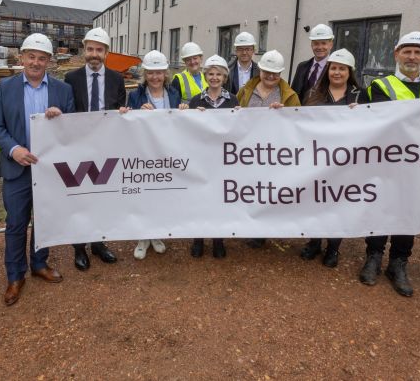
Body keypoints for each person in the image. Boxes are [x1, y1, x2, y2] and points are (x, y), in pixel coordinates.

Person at [359, 30, 420, 297]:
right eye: (407, 51)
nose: (412, 57)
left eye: (418, 52)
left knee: (408, 212)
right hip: (384, 163)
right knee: (380, 208)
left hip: (418, 164)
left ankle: (398, 263)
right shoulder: (379, 86)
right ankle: (373, 257)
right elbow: (373, 123)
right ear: (396, 54)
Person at [0, 33, 75, 306]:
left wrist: (61, 120)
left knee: (45, 219)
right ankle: (15, 275)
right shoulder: (6, 87)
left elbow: (73, 131)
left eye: (42, 58)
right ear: (22, 57)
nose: (36, 62)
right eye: (31, 56)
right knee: (15, 223)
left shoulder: (63, 91)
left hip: (49, 169)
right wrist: (14, 150)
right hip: (18, 168)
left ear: (49, 61)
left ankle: (39, 263)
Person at [63, 27, 125, 270]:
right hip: (79, 148)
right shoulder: (71, 79)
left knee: (102, 198)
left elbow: (120, 109)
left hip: (106, 148)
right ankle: (79, 248)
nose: (94, 54)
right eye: (90, 49)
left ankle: (99, 243)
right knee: (80, 198)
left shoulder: (117, 79)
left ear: (106, 53)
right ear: (84, 50)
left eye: (99, 50)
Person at [122, 50, 187, 259]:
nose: (155, 77)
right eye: (151, 73)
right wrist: (135, 111)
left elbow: (181, 123)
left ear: (165, 73)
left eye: (159, 72)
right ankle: (142, 237)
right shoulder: (135, 95)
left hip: (167, 153)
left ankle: (156, 233)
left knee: (161, 196)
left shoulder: (174, 94)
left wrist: (185, 110)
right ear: (145, 74)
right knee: (144, 195)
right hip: (144, 154)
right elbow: (128, 123)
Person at [300, 48, 362, 268]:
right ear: (327, 70)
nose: (337, 72)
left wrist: (363, 113)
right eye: (333, 68)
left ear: (349, 72)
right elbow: (300, 125)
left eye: (342, 69)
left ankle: (333, 247)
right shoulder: (313, 95)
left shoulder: (358, 96)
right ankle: (314, 241)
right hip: (316, 159)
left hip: (345, 162)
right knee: (316, 201)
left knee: (338, 204)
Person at [238, 50, 300, 248]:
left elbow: (298, 122)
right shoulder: (246, 90)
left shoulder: (289, 95)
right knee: (250, 188)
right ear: (260, 70)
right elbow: (232, 114)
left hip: (274, 152)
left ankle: (265, 229)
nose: (271, 76)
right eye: (267, 72)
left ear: (281, 74)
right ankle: (251, 226)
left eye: (275, 73)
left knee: (269, 190)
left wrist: (284, 114)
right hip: (248, 150)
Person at [189, 55, 239, 258]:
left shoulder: (233, 100)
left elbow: (237, 130)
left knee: (220, 201)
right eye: (211, 73)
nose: (215, 77)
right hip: (201, 160)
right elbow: (188, 131)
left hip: (223, 160)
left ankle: (218, 239)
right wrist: (192, 115)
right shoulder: (196, 100)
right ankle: (198, 239)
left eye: (219, 74)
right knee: (201, 200)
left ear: (225, 77)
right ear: (205, 76)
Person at [291, 23, 334, 105]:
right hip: (300, 115)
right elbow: (293, 93)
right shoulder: (302, 67)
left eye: (324, 43)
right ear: (311, 45)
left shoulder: (335, 69)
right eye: (316, 43)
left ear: (330, 45)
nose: (320, 47)